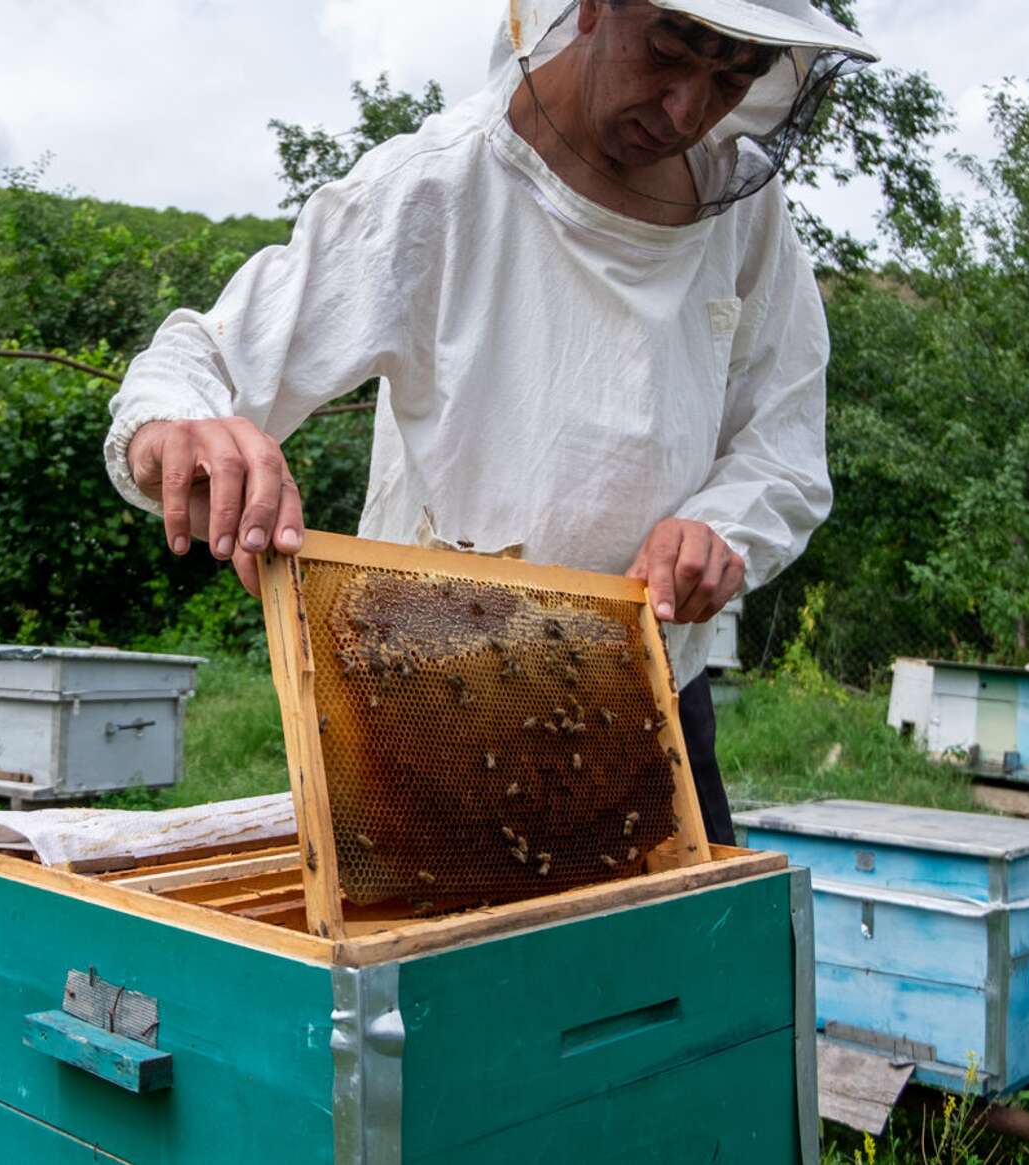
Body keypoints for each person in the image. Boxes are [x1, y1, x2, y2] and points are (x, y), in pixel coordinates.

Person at [101, 0, 877, 844]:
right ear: (590, 8)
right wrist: (177, 432)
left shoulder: (746, 213)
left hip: (650, 712)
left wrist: (718, 529)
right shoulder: (436, 185)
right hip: (429, 711)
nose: (689, 110)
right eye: (669, 51)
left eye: (734, 76)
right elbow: (198, 363)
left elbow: (785, 444)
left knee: (675, 973)